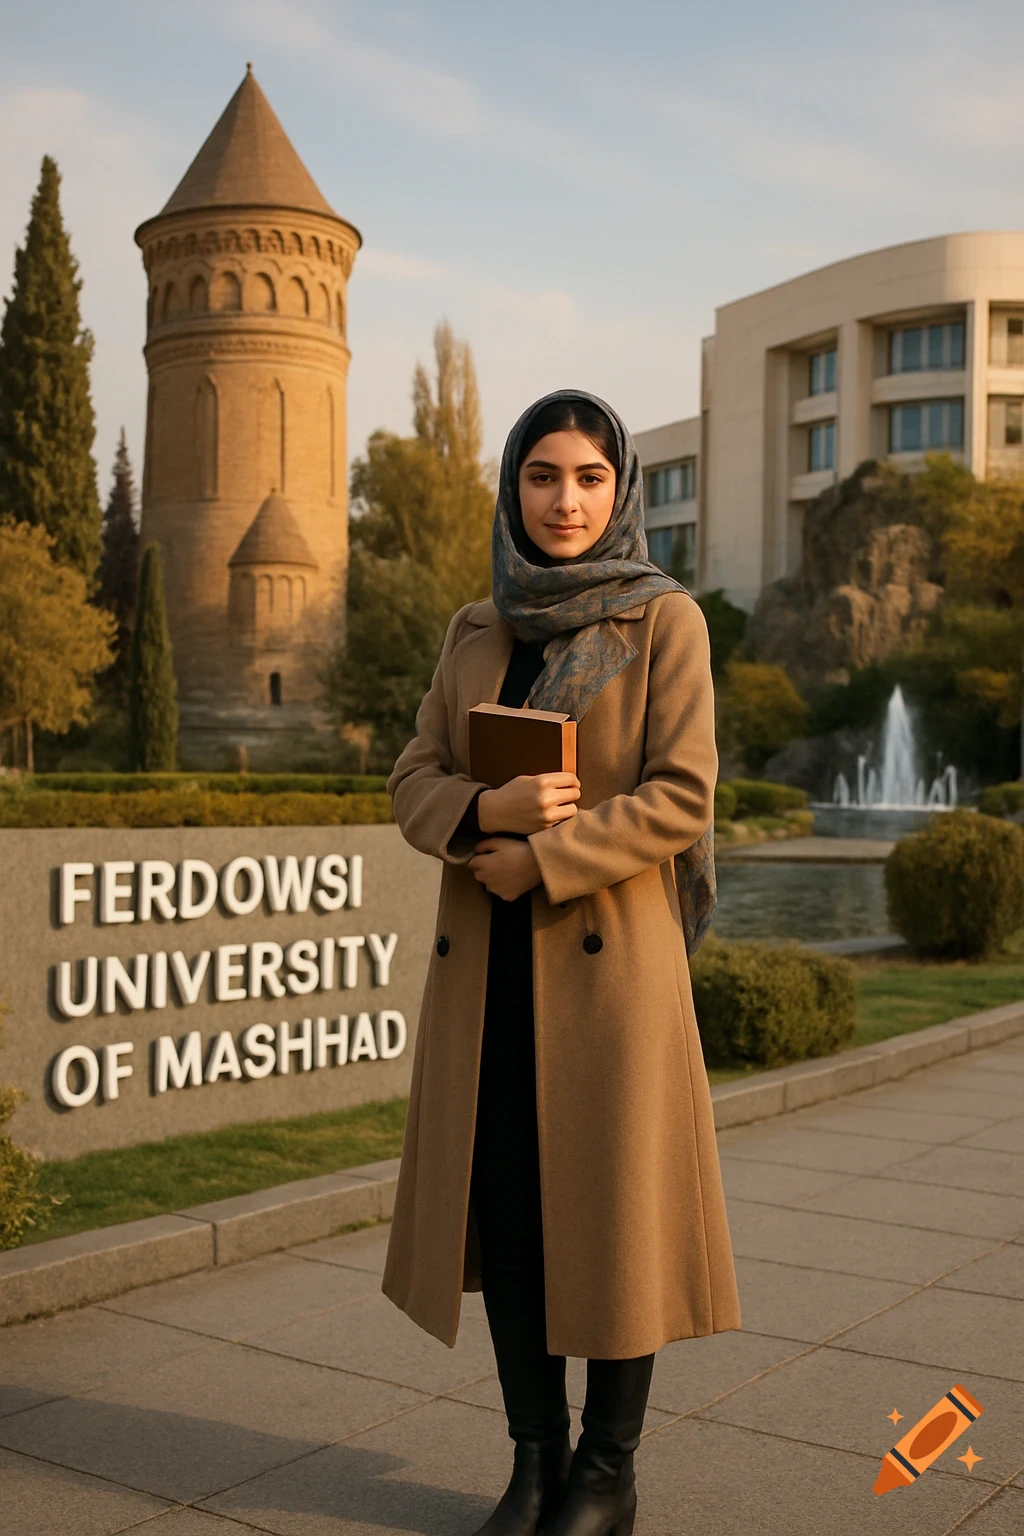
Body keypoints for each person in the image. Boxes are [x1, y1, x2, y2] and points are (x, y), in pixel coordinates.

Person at [382, 389, 741, 1536]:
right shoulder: (473, 629)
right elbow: (410, 777)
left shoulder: (661, 621)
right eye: (544, 475)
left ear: (619, 488)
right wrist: (486, 804)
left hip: (605, 977)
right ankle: (534, 1460)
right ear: (514, 488)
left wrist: (543, 857)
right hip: (488, 979)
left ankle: (606, 1472)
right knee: (512, 1219)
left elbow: (681, 796)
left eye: (589, 477)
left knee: (614, 1217)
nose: (566, 499)